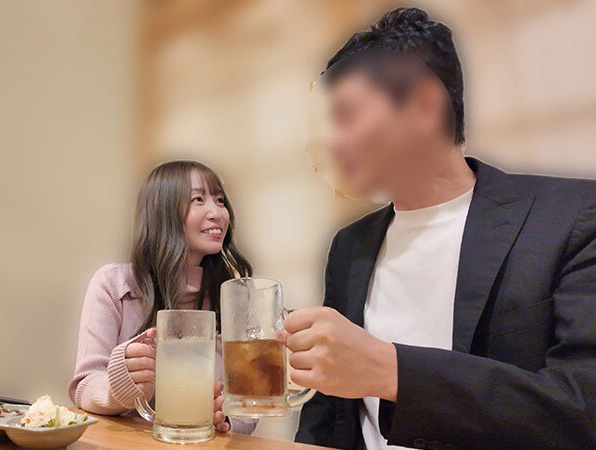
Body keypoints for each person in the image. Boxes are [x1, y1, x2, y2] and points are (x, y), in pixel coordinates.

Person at [286, 7, 596, 450]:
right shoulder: (350, 245)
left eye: (346, 116)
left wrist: (390, 371)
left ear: (425, 106)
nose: (330, 141)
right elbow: (329, 414)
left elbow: (582, 410)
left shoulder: (571, 217)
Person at [68, 160, 256, 434]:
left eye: (220, 200)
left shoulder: (233, 298)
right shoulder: (113, 285)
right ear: (162, 210)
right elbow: (84, 387)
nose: (217, 213)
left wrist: (225, 417)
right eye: (198, 199)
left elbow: (248, 406)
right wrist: (122, 384)